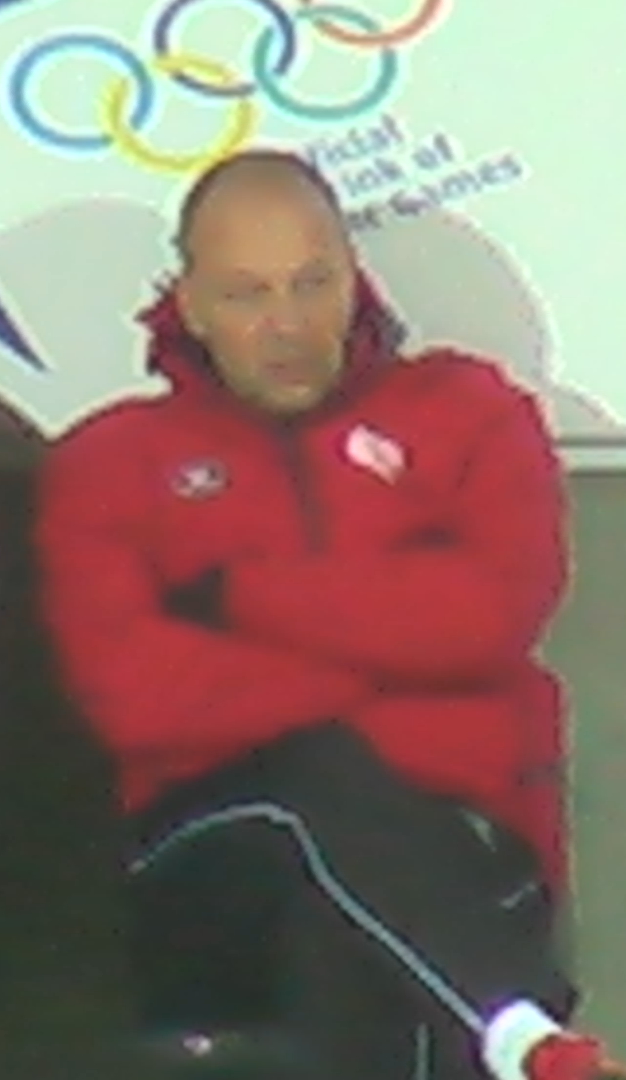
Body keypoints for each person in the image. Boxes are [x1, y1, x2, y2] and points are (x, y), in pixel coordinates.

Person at [38, 148, 620, 1080]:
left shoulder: (469, 408)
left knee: (347, 921)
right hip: (214, 850)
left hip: (464, 835)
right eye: (247, 295)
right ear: (189, 303)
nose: (289, 326)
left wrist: (236, 597)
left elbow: (492, 615)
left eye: (313, 284)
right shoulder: (111, 462)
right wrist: (390, 667)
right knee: (306, 790)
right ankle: (524, 1038)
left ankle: (516, 1035)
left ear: (355, 276)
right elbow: (132, 696)